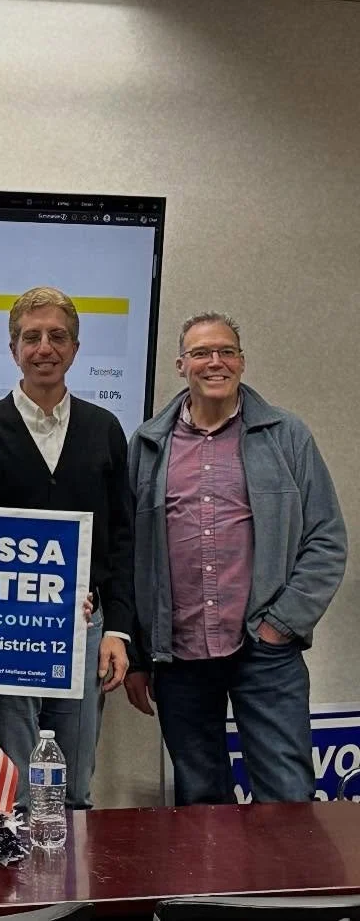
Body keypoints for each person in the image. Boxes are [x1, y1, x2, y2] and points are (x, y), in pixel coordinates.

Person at [126, 312, 346, 805]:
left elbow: (326, 539)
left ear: (242, 362)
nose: (216, 362)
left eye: (227, 351)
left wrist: (280, 626)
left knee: (288, 797)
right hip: (179, 656)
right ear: (181, 365)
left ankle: (285, 866)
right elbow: (132, 555)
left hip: (266, 654)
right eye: (202, 353)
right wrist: (139, 655)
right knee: (201, 803)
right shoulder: (148, 445)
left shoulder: (286, 435)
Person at [0, 286, 132, 809]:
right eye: (32, 337)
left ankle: (70, 866)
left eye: (57, 337)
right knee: (15, 789)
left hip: (84, 627)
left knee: (72, 787)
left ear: (75, 348)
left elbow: (122, 538)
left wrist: (117, 630)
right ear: (13, 349)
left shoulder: (105, 429)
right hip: (2, 629)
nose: (44, 348)